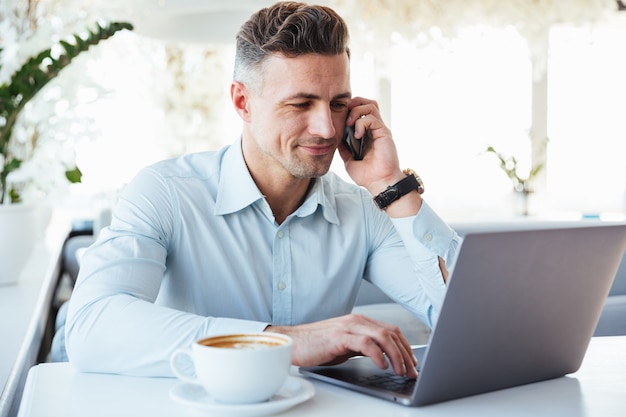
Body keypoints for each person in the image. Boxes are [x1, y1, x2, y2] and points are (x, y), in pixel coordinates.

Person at [64, 1, 460, 379]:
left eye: (338, 104)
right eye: (300, 104)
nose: (326, 128)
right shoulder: (166, 192)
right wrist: (281, 341)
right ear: (242, 101)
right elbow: (91, 326)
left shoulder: (364, 209)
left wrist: (390, 183)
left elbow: (466, 317)